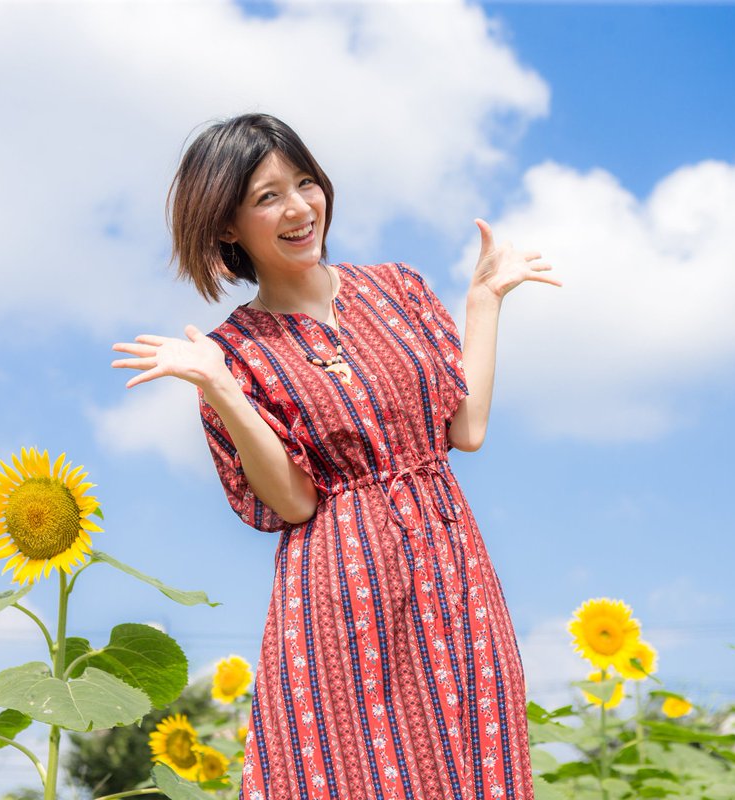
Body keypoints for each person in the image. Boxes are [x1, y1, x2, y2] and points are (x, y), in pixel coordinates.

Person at [111, 113, 560, 800]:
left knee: (479, 764)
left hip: (453, 570)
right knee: (355, 775)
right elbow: (294, 501)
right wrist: (220, 385)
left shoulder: (397, 288)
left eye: (305, 182)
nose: (298, 208)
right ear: (227, 227)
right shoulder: (233, 353)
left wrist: (483, 301)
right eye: (267, 196)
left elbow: (464, 429)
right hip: (342, 593)